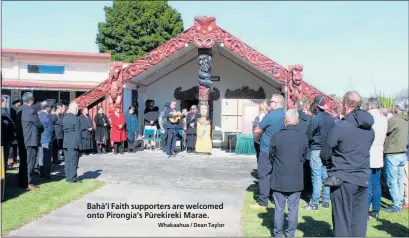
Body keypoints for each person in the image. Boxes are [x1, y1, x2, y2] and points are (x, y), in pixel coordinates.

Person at [320, 91, 374, 237]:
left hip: (343, 179)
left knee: (342, 220)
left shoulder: (341, 126)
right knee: (358, 221)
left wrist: (328, 163)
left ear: (345, 105)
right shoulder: (369, 129)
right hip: (362, 178)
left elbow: (325, 151)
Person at [253, 94, 285, 209]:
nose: (269, 103)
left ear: (276, 103)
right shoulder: (285, 115)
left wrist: (257, 140)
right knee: (275, 175)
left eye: (271, 101)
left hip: (267, 150)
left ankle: (263, 201)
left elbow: (257, 130)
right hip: (280, 151)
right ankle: (273, 197)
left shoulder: (270, 116)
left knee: (263, 174)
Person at [304, 95, 335, 210]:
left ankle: (315, 202)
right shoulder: (331, 118)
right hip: (327, 150)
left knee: (316, 177)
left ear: (316, 105)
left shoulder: (315, 118)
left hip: (316, 149)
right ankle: (326, 201)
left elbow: (308, 134)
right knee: (325, 176)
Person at [383, 97, 408, 213]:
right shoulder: (406, 120)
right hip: (403, 153)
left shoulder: (394, 120)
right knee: (399, 180)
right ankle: (400, 201)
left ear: (397, 107)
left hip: (393, 153)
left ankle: (396, 205)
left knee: (392, 181)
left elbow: (385, 131)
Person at [366, 98, 388, 219]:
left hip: (369, 151)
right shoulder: (384, 119)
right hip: (379, 152)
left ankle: (365, 209)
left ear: (369, 105)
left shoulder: (369, 117)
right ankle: (376, 209)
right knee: (376, 184)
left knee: (368, 183)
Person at [20, 92, 44, 189]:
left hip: (22, 139)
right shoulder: (31, 110)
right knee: (30, 161)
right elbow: (39, 124)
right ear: (30, 101)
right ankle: (28, 182)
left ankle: (21, 181)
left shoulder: (19, 109)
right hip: (31, 140)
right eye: (33, 101)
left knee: (23, 161)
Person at [63, 102, 82, 183]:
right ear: (75, 109)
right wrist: (80, 145)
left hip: (66, 142)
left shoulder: (65, 118)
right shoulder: (75, 119)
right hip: (73, 143)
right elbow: (78, 133)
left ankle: (68, 177)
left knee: (67, 161)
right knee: (73, 161)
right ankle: (73, 178)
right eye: (77, 108)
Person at [37, 100, 55, 179]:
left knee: (41, 156)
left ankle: (41, 172)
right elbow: (51, 128)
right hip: (47, 138)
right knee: (47, 157)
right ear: (47, 107)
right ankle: (46, 173)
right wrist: (53, 136)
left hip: (40, 138)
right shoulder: (47, 116)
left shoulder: (37, 114)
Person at [1, 96, 15, 171]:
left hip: (5, 137)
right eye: (5, 101)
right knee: (4, 157)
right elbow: (7, 125)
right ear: (1, 102)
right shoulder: (3, 112)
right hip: (6, 138)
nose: (6, 103)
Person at [9, 99, 21, 166]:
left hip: (15, 130)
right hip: (14, 130)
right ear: (16, 103)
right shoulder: (13, 110)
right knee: (13, 145)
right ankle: (12, 159)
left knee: (15, 145)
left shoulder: (14, 109)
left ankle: (14, 159)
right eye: (19, 103)